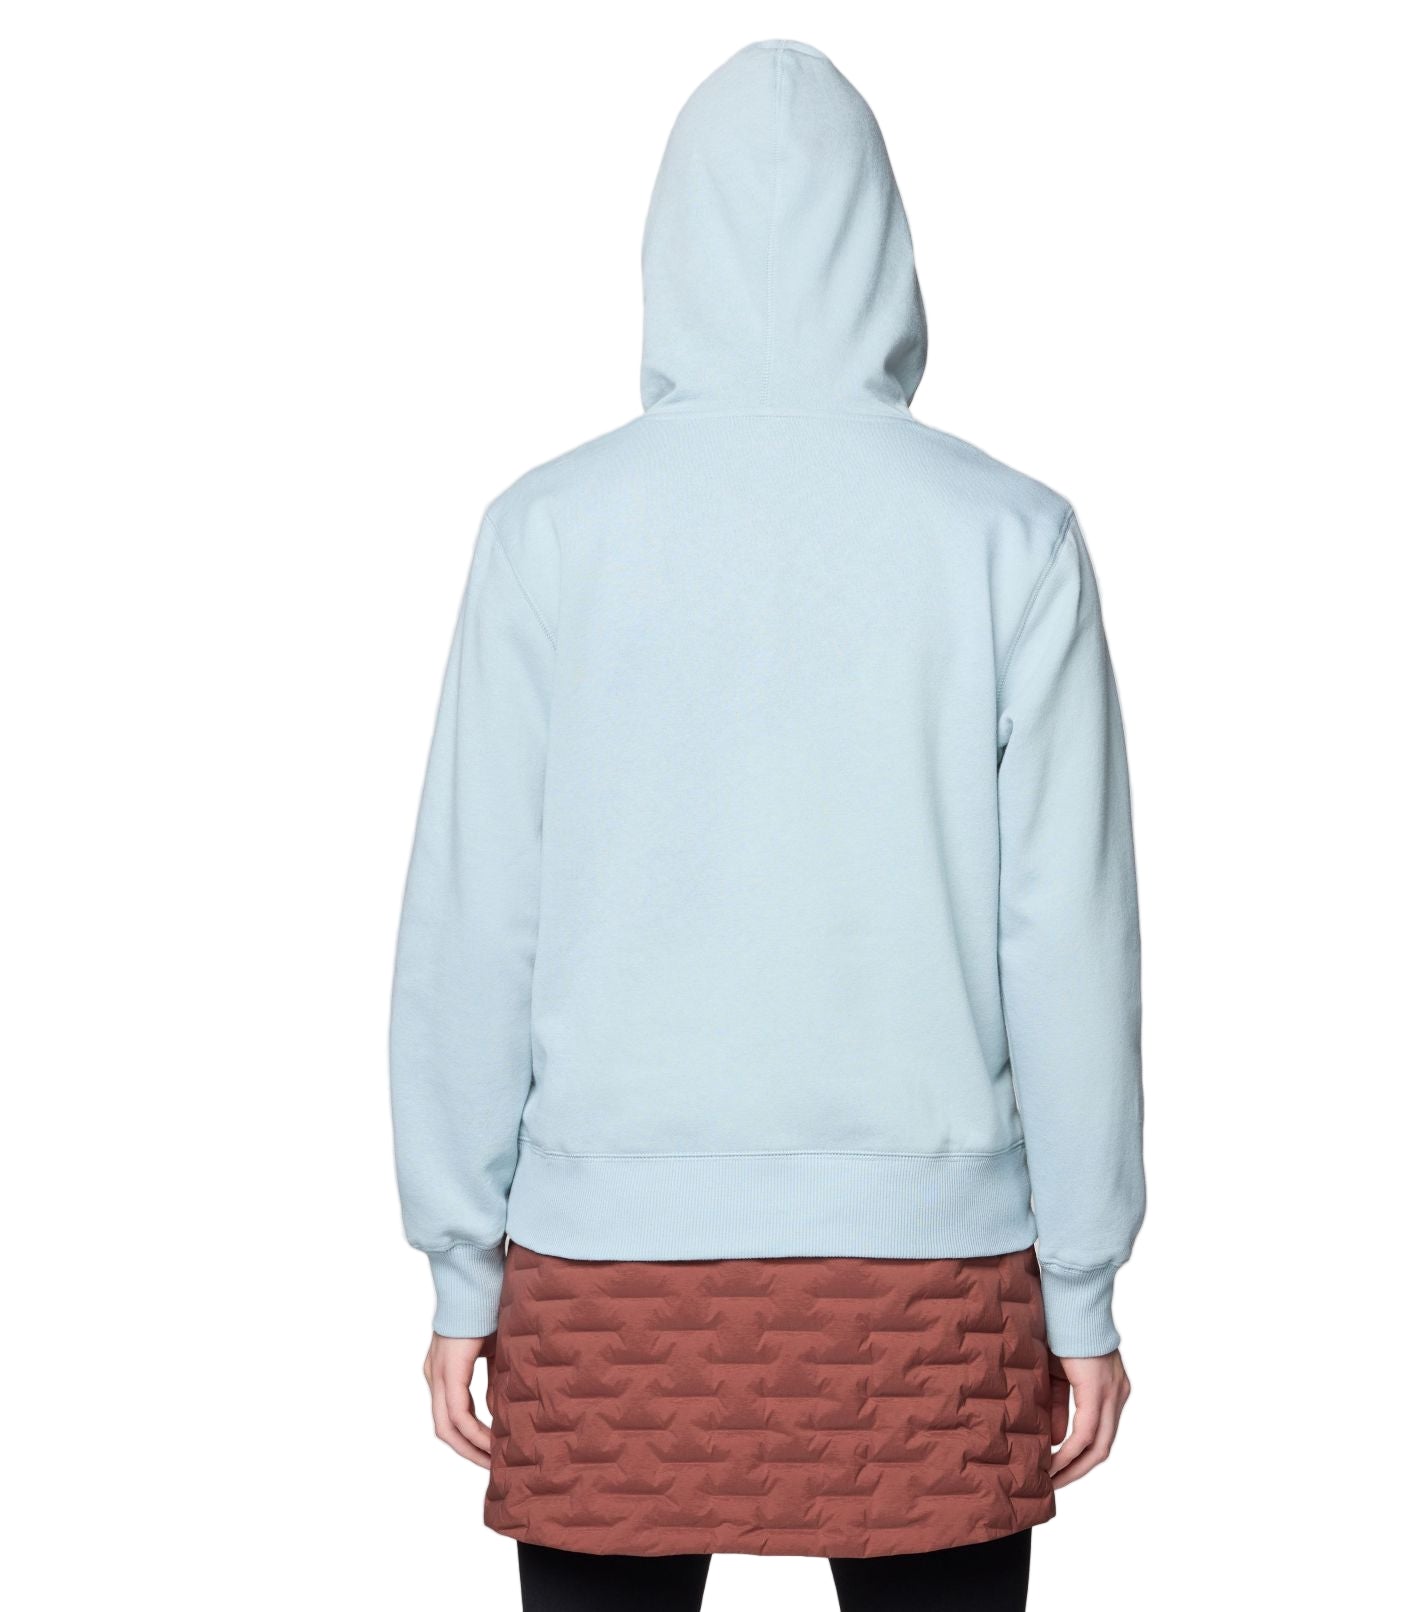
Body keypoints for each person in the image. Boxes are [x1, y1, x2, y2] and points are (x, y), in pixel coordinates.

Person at [391, 39, 1144, 1611]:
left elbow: (475, 917)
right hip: (930, 1280)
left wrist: (463, 1265)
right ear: (889, 251)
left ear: (668, 250)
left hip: (607, 1278)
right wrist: (1080, 1290)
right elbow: (1067, 944)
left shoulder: (549, 534)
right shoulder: (1010, 538)